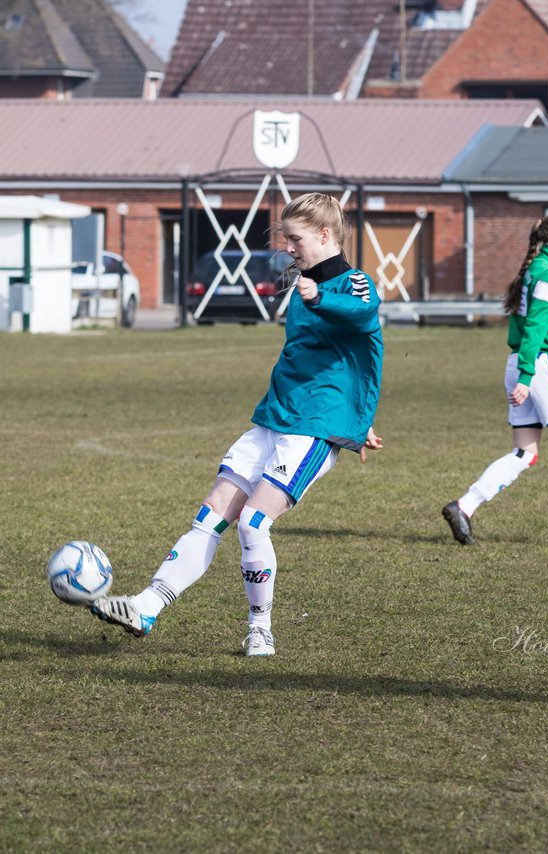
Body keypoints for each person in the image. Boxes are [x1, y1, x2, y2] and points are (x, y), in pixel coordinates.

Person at [89, 193, 384, 656]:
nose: (288, 247)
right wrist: (361, 416)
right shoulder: (303, 286)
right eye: (286, 238)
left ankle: (260, 630)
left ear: (325, 235)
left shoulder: (353, 283)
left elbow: (364, 320)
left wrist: (352, 418)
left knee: (253, 522)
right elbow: (343, 357)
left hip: (313, 427)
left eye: (296, 238)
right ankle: (146, 606)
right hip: (274, 415)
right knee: (210, 514)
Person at [442, 212, 548, 547]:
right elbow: (535, 328)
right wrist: (530, 374)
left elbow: (534, 329)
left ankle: (465, 506)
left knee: (525, 453)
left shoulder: (535, 271)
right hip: (537, 367)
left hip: (523, 361)